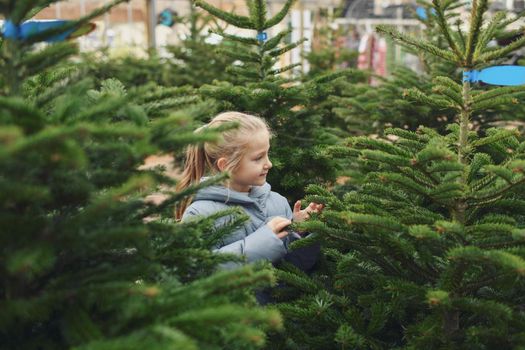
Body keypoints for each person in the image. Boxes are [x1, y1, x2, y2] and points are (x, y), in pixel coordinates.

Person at [176, 111, 322, 275]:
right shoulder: (200, 214)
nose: (269, 164)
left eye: (267, 154)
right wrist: (265, 241)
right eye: (258, 158)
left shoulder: (277, 202)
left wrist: (299, 231)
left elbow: (295, 270)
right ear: (226, 166)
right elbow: (196, 274)